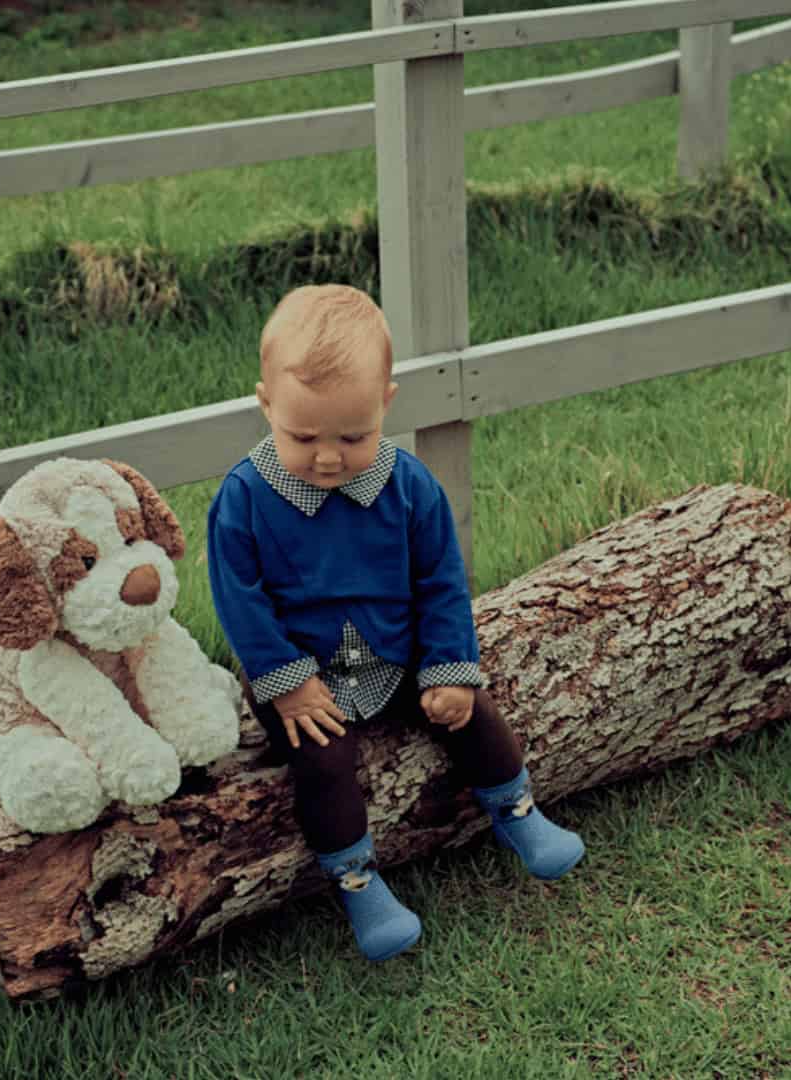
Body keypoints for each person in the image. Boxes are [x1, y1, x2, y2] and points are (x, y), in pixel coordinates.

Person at [206, 283, 584, 963]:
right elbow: (239, 598)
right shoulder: (245, 498)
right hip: (302, 671)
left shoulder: (408, 486)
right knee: (324, 759)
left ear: (386, 402)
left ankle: (517, 811)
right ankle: (357, 881)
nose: (328, 457)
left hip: (397, 651)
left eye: (353, 436)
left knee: (473, 713)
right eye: (302, 436)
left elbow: (440, 580)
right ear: (266, 405)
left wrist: (445, 667)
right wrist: (285, 681)